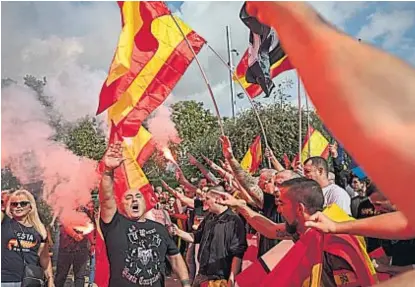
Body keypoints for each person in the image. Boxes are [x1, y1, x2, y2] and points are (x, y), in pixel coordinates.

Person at [99, 142, 190, 287]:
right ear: (122, 205)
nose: (134, 199)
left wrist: (186, 283)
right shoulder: (114, 224)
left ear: (145, 202)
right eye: (128, 198)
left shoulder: (159, 228)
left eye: (138, 197)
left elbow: (175, 256)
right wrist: (108, 171)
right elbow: (106, 199)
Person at [172, 185, 247, 287]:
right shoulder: (209, 217)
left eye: (207, 198)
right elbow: (195, 237)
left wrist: (231, 280)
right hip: (202, 275)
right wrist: (178, 232)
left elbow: (238, 253)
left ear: (218, 199)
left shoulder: (234, 221)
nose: (204, 201)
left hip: (220, 280)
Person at [1, 189, 54, 287]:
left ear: (31, 206)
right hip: (5, 280)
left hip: (29, 280)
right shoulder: (4, 223)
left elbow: (44, 258)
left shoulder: (39, 230)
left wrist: (50, 279)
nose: (18, 206)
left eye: (23, 203)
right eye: (14, 204)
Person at [54, 207, 93, 287]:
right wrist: (75, 235)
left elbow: (90, 223)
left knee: (80, 276)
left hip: (82, 247)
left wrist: (90, 241)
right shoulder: (66, 206)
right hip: (66, 247)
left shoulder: (85, 207)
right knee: (61, 276)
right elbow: (64, 223)